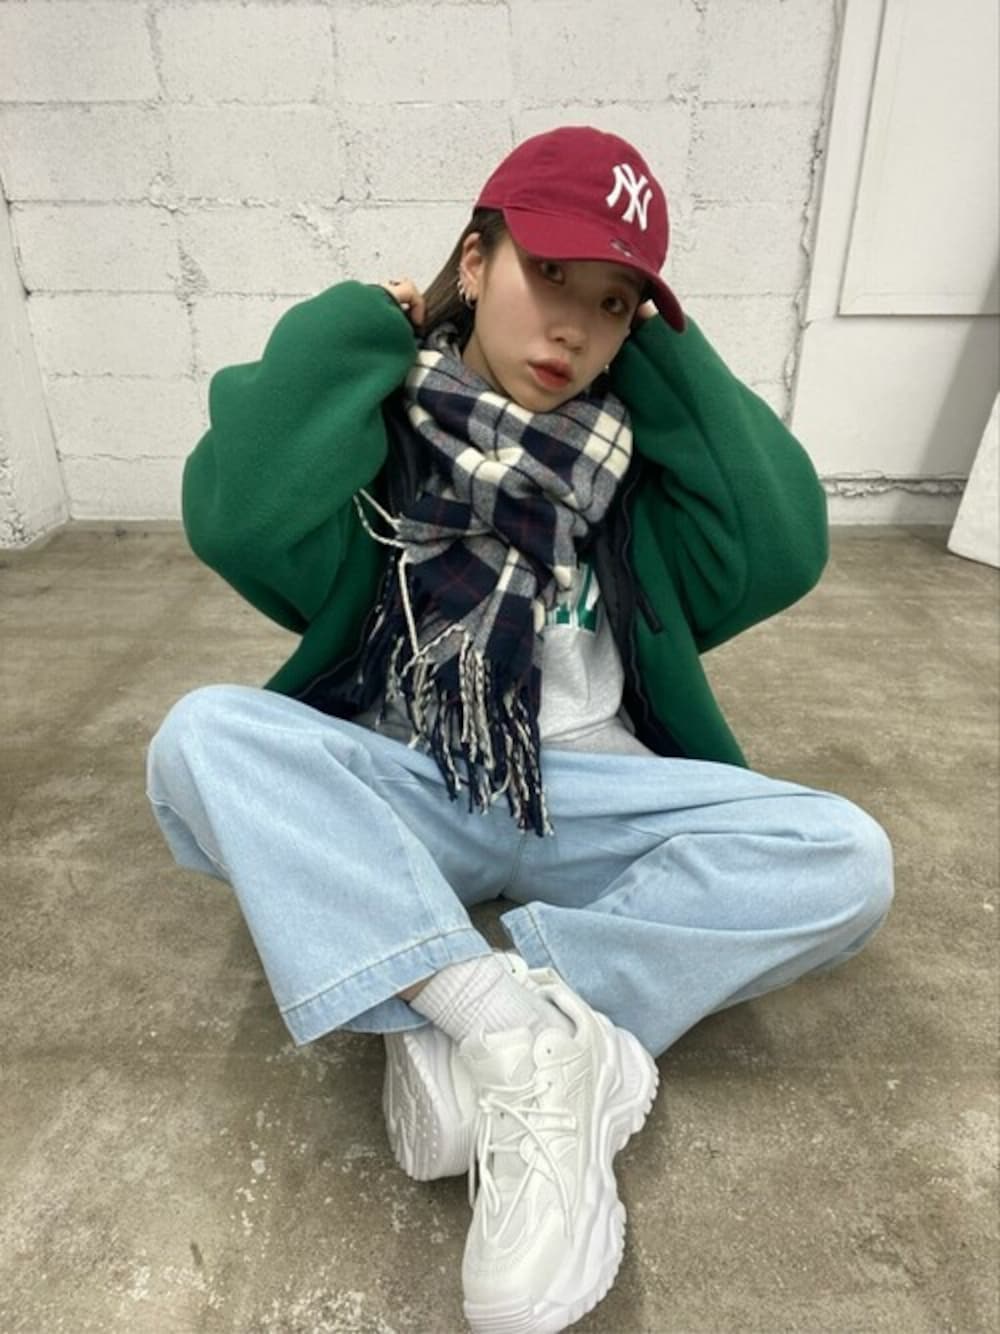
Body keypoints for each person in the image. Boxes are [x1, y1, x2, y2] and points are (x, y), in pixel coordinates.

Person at [146, 126, 893, 1332]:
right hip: (417, 781)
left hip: (594, 791)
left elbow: (785, 537)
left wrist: (656, 351)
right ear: (474, 259)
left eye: (610, 304)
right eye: (548, 274)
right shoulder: (377, 447)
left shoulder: (630, 475)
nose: (572, 328)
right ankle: (514, 1030)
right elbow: (234, 512)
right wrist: (359, 327)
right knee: (203, 735)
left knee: (844, 854)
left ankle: (476, 1022)